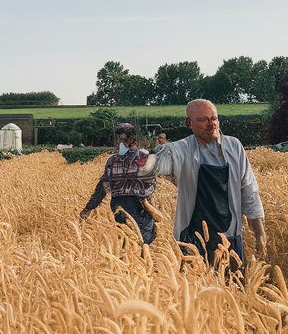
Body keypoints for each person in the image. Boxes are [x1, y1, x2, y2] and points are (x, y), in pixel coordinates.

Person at [154, 99, 266, 267]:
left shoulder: (234, 146)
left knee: (233, 290)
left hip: (230, 240)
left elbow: (249, 191)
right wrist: (138, 162)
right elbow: (158, 165)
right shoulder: (180, 149)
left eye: (214, 118)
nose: (211, 124)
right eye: (203, 119)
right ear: (189, 123)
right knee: (195, 290)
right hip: (192, 240)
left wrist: (260, 234)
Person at [80, 123, 157, 244]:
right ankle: (140, 261)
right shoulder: (143, 156)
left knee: (125, 238)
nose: (118, 141)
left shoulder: (113, 160)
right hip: (138, 204)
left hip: (120, 204)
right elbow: (150, 181)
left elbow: (103, 188)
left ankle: (126, 259)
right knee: (144, 240)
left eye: (120, 138)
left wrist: (89, 208)